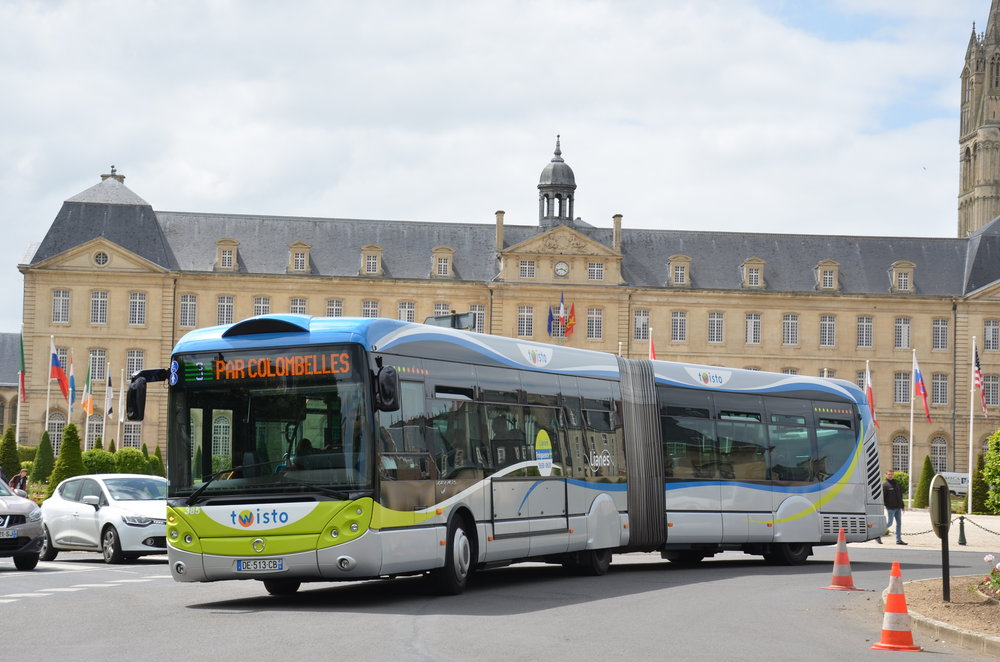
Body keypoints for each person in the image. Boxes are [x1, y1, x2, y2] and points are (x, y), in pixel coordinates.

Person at [882, 469, 907, 545]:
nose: (890, 475)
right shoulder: (885, 485)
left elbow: (900, 496)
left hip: (898, 508)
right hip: (891, 508)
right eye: (889, 474)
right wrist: (887, 505)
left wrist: (902, 506)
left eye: (891, 474)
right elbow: (883, 497)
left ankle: (898, 540)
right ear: (886, 475)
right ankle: (877, 535)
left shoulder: (897, 484)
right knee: (889, 523)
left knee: (899, 523)